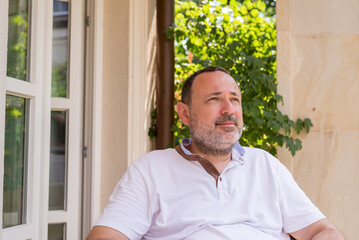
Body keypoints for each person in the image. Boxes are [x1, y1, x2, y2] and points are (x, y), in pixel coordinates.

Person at [86, 67, 345, 240]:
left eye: (235, 99)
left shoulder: (265, 165)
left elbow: (320, 230)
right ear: (184, 114)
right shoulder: (151, 169)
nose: (228, 109)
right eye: (214, 99)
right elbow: (107, 235)